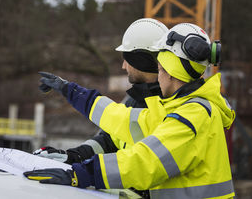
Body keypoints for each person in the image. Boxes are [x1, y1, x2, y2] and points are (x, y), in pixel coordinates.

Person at [25, 23, 236, 199]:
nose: (158, 73)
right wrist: (70, 90)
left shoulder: (194, 115)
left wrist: (80, 174)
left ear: (170, 74)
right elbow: (121, 119)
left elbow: (145, 161)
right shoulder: (178, 108)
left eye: (161, 69)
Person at [33, 18, 168, 167]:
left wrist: (70, 91)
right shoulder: (136, 98)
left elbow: (120, 121)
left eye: (126, 59)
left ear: (141, 62)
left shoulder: (170, 104)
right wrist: (74, 156)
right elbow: (110, 139)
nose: (123, 66)